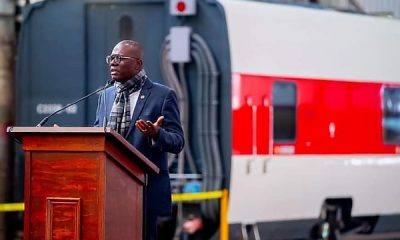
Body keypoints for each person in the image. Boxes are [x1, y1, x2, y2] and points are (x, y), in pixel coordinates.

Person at [94, 40, 184, 240]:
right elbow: (98, 136)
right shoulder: (106, 95)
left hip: (146, 193)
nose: (113, 63)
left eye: (119, 59)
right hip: (109, 192)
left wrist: (156, 134)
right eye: (111, 58)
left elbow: (178, 142)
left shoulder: (162, 95)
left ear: (138, 64)